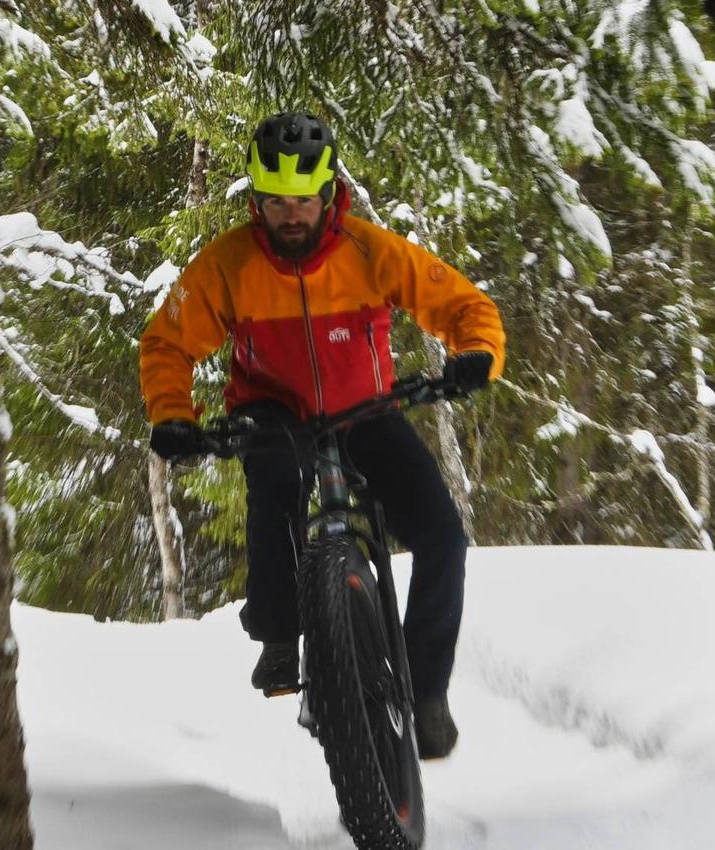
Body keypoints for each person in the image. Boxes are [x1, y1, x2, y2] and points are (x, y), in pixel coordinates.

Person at [138, 111, 504, 759]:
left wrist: (476, 352)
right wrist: (173, 416)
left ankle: (426, 693)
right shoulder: (228, 264)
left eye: (303, 199)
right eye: (276, 201)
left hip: (366, 410)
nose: (291, 215)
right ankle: (281, 637)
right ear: (257, 200)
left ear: (328, 193)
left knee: (443, 535)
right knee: (275, 487)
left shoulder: (370, 250)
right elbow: (167, 343)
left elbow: (464, 305)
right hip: (273, 413)